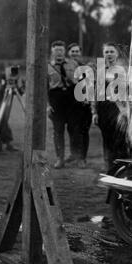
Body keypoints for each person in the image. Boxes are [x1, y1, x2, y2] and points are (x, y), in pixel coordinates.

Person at [92, 42, 128, 170]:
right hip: (103, 108)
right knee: (106, 140)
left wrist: (124, 110)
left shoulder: (121, 70)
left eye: (112, 51)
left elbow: (124, 92)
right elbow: (96, 93)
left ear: (117, 54)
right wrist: (94, 112)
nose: (109, 54)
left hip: (117, 109)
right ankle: (109, 167)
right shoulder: (100, 70)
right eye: (106, 52)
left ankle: (120, 168)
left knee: (119, 139)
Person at [48, 40, 79, 169]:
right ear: (52, 52)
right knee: (58, 130)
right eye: (56, 50)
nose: (59, 53)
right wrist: (47, 105)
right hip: (56, 100)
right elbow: (43, 88)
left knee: (74, 128)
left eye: (61, 50)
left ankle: (73, 155)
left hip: (72, 99)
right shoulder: (48, 66)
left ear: (64, 51)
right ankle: (60, 158)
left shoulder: (73, 64)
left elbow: (80, 82)